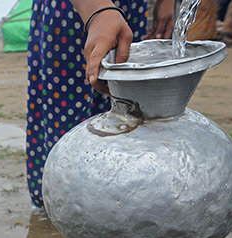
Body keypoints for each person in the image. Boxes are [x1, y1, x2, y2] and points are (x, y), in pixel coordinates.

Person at [25, 0, 175, 208]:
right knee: (66, 124)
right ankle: (61, 205)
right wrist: (97, 10)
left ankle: (111, 203)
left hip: (129, 10)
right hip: (72, 10)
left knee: (126, 113)